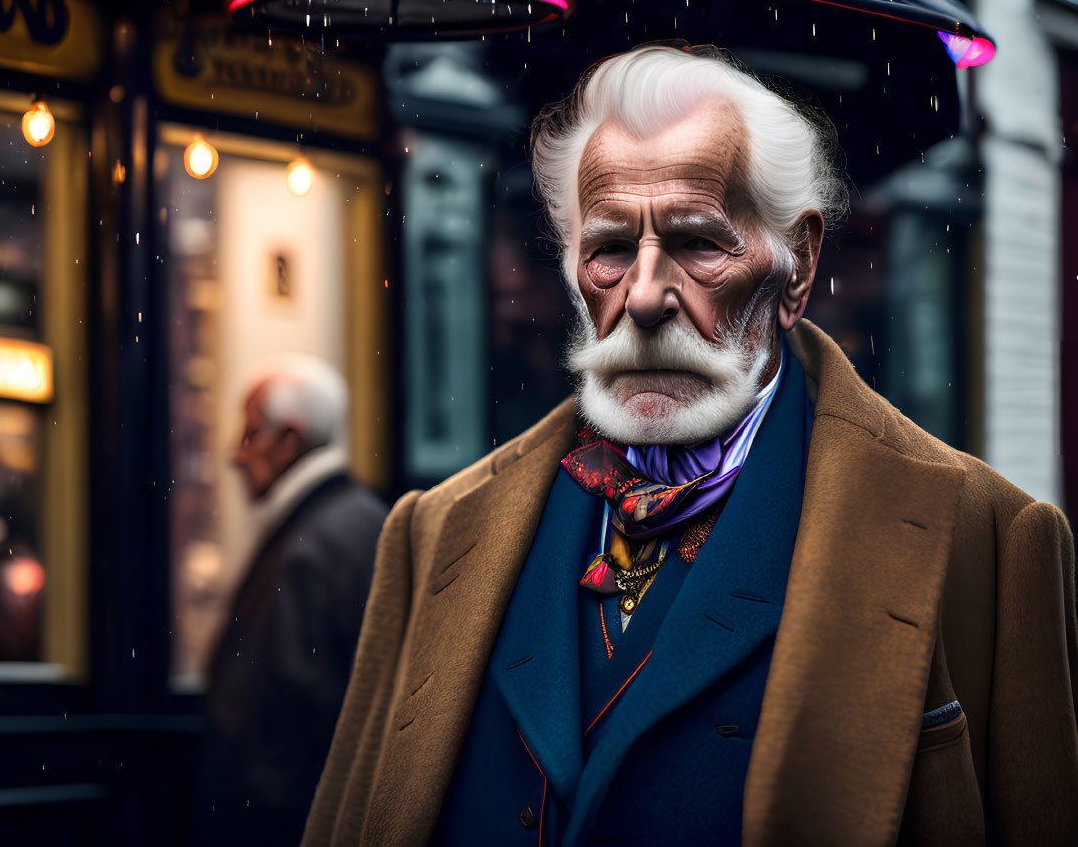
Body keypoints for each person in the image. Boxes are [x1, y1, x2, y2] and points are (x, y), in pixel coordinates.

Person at [303, 43, 1078, 845]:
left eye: (698, 243)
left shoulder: (988, 541)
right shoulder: (432, 534)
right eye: (608, 249)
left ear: (798, 265)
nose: (642, 296)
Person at [198, 355, 386, 846]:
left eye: (250, 432)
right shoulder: (362, 522)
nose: (236, 454)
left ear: (288, 439)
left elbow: (272, 728)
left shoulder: (308, 548)